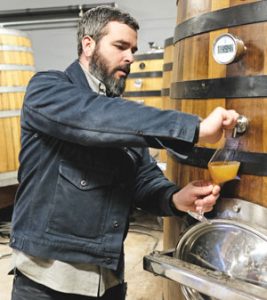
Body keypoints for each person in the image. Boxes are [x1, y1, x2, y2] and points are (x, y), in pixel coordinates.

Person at [10, 5, 239, 300]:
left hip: (108, 278)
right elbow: (93, 119)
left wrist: (174, 198)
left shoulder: (122, 115)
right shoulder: (47, 90)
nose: (130, 57)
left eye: (133, 49)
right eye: (120, 46)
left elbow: (142, 178)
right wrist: (194, 128)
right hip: (49, 281)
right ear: (88, 44)